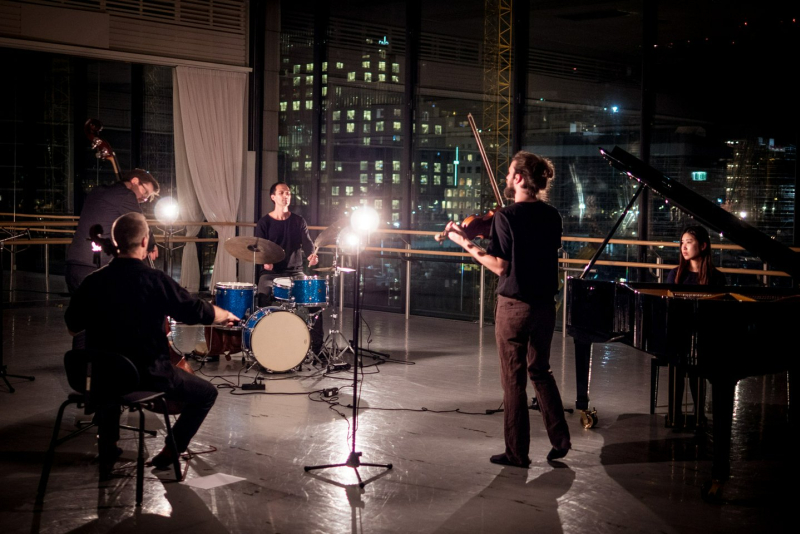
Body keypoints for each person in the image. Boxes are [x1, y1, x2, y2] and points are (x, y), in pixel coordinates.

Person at [65, 212, 238, 477]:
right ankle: (171, 451)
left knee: (110, 375)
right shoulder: (155, 281)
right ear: (145, 241)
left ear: (114, 241)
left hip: (98, 377)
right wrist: (223, 314)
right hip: (147, 377)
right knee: (206, 394)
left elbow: (72, 326)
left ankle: (108, 445)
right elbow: (192, 311)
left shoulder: (93, 281)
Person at [444, 151, 571, 467]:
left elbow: (500, 266)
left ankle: (517, 453)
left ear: (518, 178)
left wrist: (464, 243)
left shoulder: (506, 217)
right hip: (545, 307)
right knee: (541, 370)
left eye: (509, 173)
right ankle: (561, 439)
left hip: (514, 307)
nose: (505, 178)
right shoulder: (552, 216)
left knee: (513, 380)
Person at [664, 225, 727, 425]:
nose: (683, 247)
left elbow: (719, 312)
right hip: (679, 332)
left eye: (689, 242)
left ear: (703, 245)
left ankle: (699, 415)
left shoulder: (716, 277)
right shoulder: (675, 275)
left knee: (697, 369)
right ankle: (674, 416)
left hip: (705, 333)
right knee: (678, 366)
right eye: (682, 243)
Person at [65, 169, 160, 294]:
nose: (143, 198)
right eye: (145, 192)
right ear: (135, 181)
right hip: (98, 268)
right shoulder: (126, 195)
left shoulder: (97, 191)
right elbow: (140, 223)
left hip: (74, 265)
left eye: (147, 198)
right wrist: (151, 245)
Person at [255, 182, 323, 352]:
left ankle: (317, 348)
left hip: (296, 272)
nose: (286, 196)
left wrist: (312, 257)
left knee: (315, 302)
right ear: (273, 197)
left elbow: (308, 245)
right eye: (282, 193)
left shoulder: (298, 221)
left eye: (289, 193)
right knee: (263, 296)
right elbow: (259, 249)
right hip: (271, 274)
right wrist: (265, 261)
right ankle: (264, 343)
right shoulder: (264, 223)